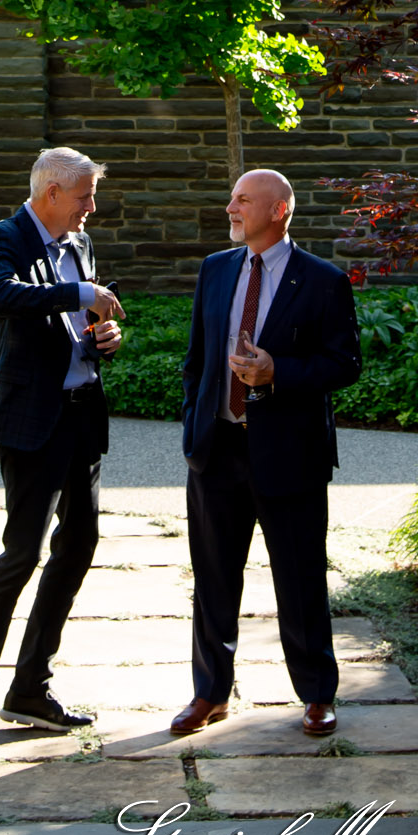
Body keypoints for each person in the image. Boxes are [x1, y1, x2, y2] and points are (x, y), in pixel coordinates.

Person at [0, 147, 124, 755]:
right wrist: (81, 294)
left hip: (83, 416)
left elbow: (83, 325)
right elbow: (2, 295)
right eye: (83, 196)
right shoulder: (6, 236)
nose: (91, 207)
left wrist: (104, 336)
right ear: (51, 192)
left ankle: (30, 689)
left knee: (78, 546)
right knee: (20, 555)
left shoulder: (81, 245)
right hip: (30, 422)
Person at [172, 168, 362, 741]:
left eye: (243, 200)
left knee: (300, 579)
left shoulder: (323, 281)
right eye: (232, 197)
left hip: (290, 454)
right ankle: (210, 692)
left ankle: (317, 695)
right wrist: (193, 427)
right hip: (218, 450)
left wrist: (279, 370)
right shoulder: (216, 269)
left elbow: (345, 365)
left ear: (279, 210)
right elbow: (197, 360)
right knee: (213, 578)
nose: (231, 207)